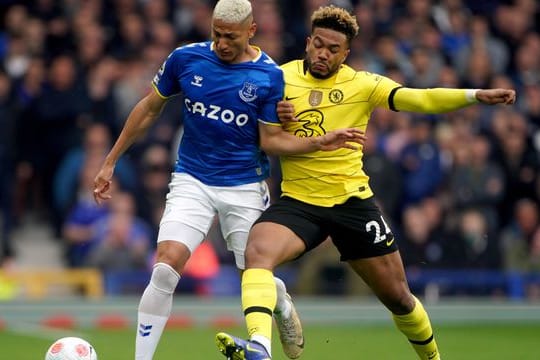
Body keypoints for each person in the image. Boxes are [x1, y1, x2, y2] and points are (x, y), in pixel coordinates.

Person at [215, 5, 516, 360]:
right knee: (257, 253)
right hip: (299, 202)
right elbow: (252, 127)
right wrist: (274, 117)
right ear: (308, 42)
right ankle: (260, 348)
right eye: (319, 45)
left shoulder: (363, 84)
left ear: (346, 54)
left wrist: (473, 95)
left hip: (352, 204)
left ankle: (433, 358)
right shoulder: (279, 79)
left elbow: (418, 97)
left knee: (399, 298)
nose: (323, 54)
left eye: (333, 49)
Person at [92, 1, 365, 359]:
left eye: (230, 37)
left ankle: (280, 303)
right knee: (164, 267)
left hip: (244, 186)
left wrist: (314, 140)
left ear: (251, 31)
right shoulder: (185, 59)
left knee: (253, 275)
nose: (221, 43)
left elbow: (271, 141)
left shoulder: (269, 76)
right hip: (192, 178)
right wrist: (110, 161)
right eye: (217, 34)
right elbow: (148, 108)